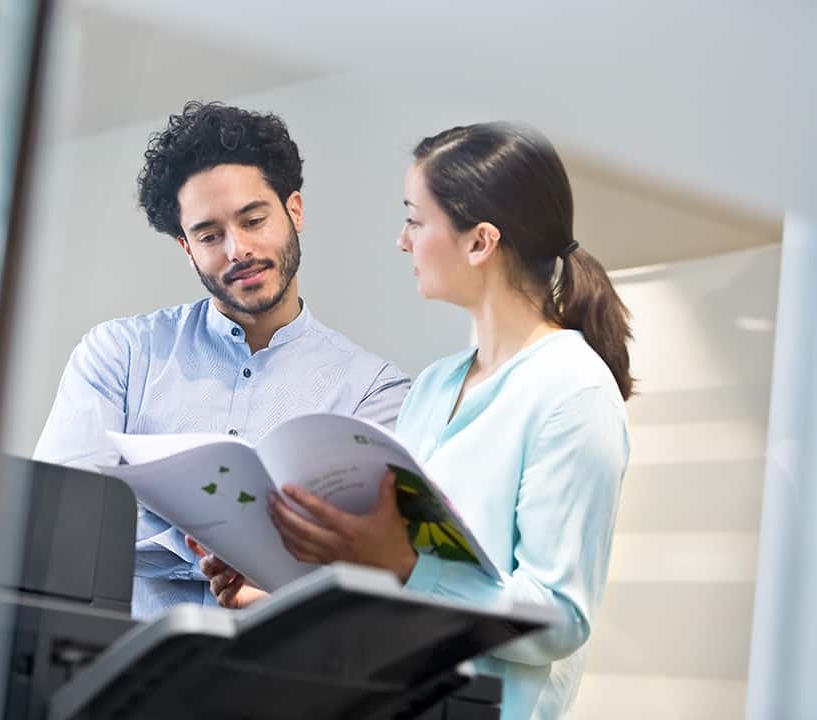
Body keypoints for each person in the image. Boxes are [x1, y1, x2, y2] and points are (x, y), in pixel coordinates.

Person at [197, 122, 632, 720]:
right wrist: (282, 585)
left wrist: (402, 563)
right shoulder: (433, 386)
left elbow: (558, 620)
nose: (403, 241)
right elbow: (408, 582)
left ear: (479, 242)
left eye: (415, 220)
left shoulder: (572, 391)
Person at [33, 101, 410, 619]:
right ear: (186, 247)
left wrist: (288, 581)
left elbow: (373, 564)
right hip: (115, 645)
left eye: (254, 219)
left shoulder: (375, 390)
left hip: (281, 660)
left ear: (294, 210)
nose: (238, 250)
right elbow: (61, 517)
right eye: (210, 235)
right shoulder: (120, 353)